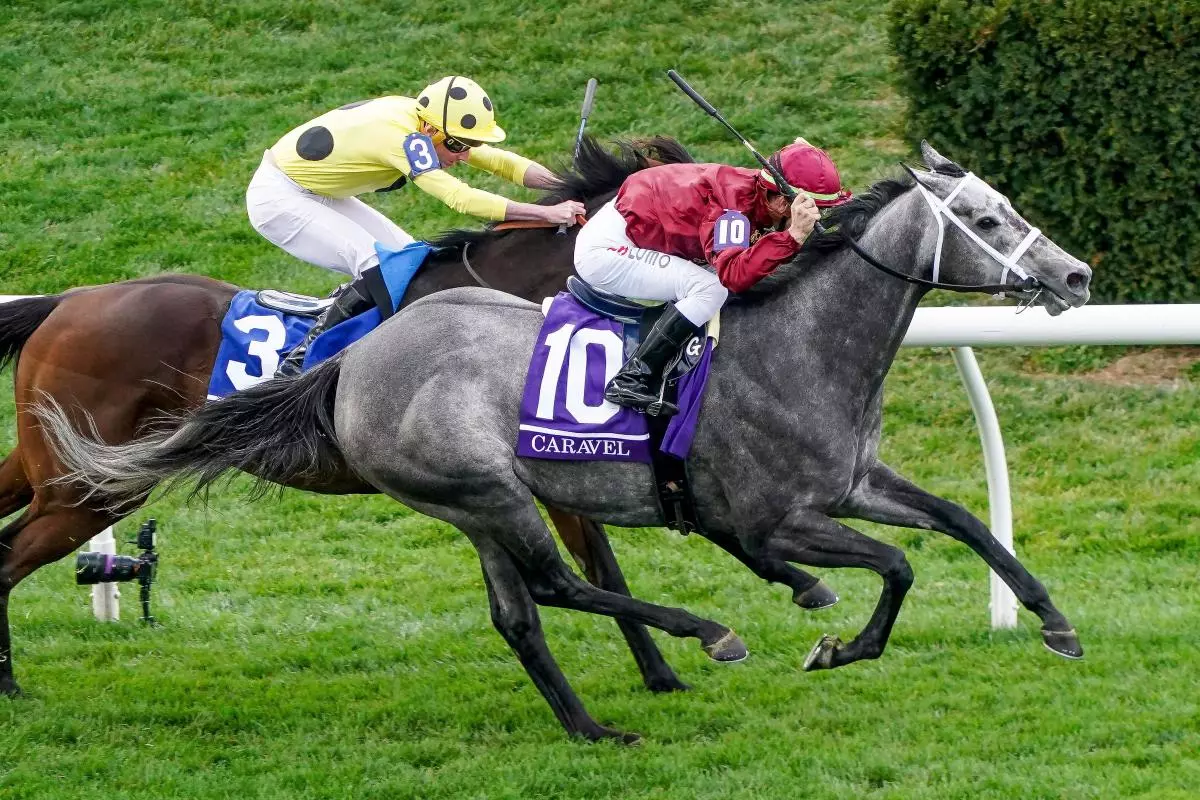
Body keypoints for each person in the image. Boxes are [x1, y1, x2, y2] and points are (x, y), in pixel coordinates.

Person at [246, 76, 585, 376]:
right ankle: (296, 366)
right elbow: (458, 197)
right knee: (376, 264)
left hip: (318, 191)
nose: (463, 156)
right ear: (429, 129)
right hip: (279, 200)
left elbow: (498, 161)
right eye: (456, 146)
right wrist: (545, 214)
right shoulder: (399, 137)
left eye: (469, 146)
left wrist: (561, 183)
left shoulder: (429, 124)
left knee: (410, 261)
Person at [572, 138, 852, 416]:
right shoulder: (732, 211)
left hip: (640, 226)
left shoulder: (761, 197)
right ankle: (632, 378)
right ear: (781, 201)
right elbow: (733, 276)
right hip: (606, 251)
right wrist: (792, 237)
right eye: (813, 209)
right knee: (711, 289)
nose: (816, 218)